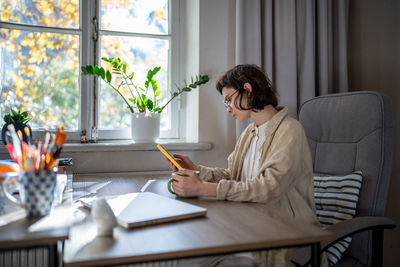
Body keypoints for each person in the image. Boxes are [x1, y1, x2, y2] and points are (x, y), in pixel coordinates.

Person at [165, 64, 325, 267]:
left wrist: (205, 188)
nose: (228, 109)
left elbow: (269, 187)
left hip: (287, 232)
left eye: (229, 100)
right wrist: (196, 169)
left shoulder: (291, 130)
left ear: (247, 90)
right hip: (251, 223)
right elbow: (233, 175)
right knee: (189, 253)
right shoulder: (249, 133)